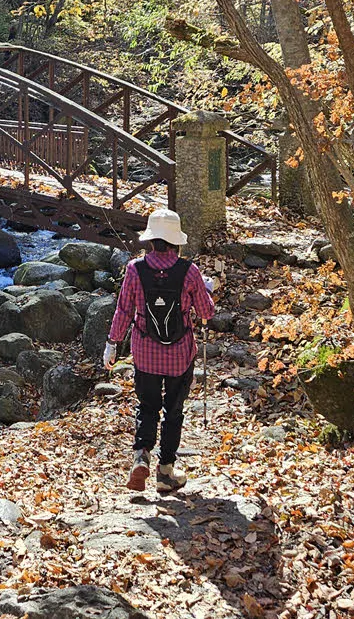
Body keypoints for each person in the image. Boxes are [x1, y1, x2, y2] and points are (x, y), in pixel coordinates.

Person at [103, 207, 215, 493]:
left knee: (147, 406)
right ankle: (165, 472)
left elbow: (124, 310)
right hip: (180, 354)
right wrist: (207, 290)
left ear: (151, 240)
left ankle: (141, 455)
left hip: (145, 353)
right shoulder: (190, 272)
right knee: (173, 411)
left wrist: (112, 344)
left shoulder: (134, 269)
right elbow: (206, 313)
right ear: (176, 241)